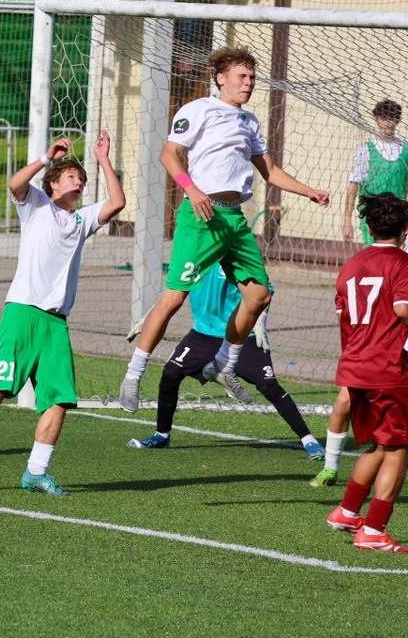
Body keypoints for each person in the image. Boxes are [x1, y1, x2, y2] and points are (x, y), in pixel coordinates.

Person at [120, 47, 330, 413]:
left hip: (234, 220)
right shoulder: (199, 109)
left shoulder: (249, 121)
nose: (249, 83)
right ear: (221, 78)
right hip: (201, 216)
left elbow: (270, 171)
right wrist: (191, 189)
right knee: (174, 298)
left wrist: (309, 191)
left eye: (252, 77)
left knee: (259, 296)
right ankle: (134, 374)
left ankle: (222, 364)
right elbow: (168, 153)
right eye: (242, 76)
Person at [0, 132, 125, 495]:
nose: (78, 182)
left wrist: (103, 159)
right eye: (71, 177)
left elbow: (117, 202)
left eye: (81, 179)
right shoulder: (35, 204)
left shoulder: (82, 219)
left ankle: (35, 471)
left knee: (60, 399)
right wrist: (46, 158)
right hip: (22, 312)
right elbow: (14, 183)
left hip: (56, 323)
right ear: (52, 183)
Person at [125, 261, 325, 458]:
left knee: (269, 385)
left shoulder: (237, 254)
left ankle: (308, 440)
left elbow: (266, 290)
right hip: (202, 335)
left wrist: (260, 321)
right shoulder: (195, 256)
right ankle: (162, 435)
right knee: (171, 372)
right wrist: (150, 316)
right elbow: (172, 291)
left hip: (240, 334)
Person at [324, 192, 408, 552]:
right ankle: (373, 530)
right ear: (405, 229)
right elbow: (402, 308)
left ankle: (346, 512)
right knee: (399, 447)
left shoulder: (352, 265)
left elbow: (344, 316)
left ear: (369, 227)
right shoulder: (402, 264)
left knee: (380, 444)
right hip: (387, 369)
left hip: (355, 367)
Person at [343, 99, 406, 246]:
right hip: (373, 219)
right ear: (377, 119)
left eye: (392, 118)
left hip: (398, 219)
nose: (387, 123)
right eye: (383, 118)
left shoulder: (405, 150)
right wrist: (347, 220)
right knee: (375, 257)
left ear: (397, 120)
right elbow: (353, 186)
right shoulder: (366, 150)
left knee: (396, 259)